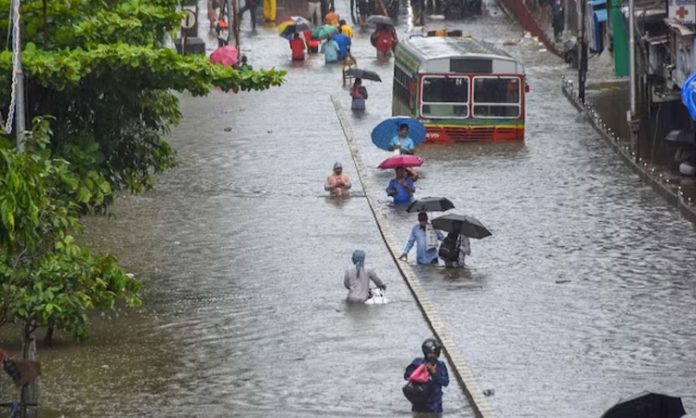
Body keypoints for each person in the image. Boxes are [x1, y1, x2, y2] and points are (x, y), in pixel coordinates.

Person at [404, 338, 450, 416]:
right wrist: (420, 371)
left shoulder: (440, 365)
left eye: (435, 353)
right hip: (419, 405)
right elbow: (407, 376)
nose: (433, 356)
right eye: (431, 354)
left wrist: (434, 373)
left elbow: (445, 382)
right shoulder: (417, 362)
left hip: (435, 407)